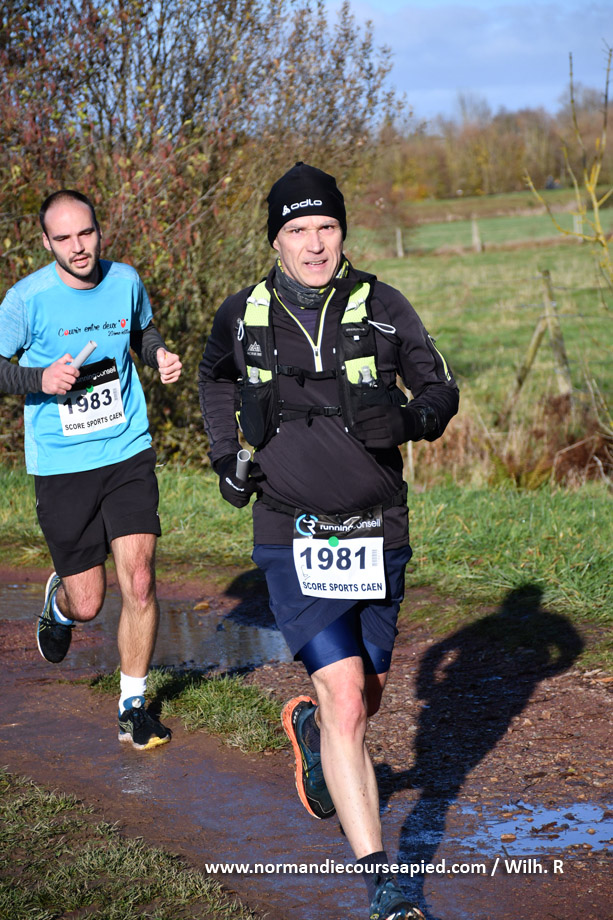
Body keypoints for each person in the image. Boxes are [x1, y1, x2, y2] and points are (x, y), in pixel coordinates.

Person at [199, 163, 459, 920]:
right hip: (291, 529)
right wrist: (226, 455)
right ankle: (384, 882)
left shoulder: (383, 305)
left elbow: (440, 389)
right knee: (347, 698)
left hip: (377, 529)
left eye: (326, 227)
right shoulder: (243, 314)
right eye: (297, 230)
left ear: (343, 232)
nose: (313, 244)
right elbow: (214, 377)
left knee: (362, 698)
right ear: (275, 240)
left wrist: (407, 420)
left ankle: (313, 727)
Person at [0, 190, 182, 751]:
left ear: (99, 230)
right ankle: (59, 606)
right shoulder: (26, 300)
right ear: (46, 242)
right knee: (89, 602)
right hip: (63, 466)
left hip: (126, 449)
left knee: (140, 580)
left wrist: (157, 355)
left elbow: (142, 331)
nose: (78, 247)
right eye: (63, 238)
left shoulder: (125, 280)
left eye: (86, 233)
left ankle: (133, 708)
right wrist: (38, 380)